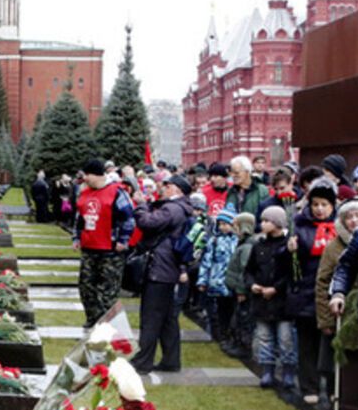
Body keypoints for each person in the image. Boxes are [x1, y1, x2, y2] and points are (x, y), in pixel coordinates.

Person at [130, 173, 196, 374]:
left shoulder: (173, 208)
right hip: (169, 269)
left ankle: (143, 361)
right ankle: (170, 360)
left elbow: (148, 223)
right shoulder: (182, 208)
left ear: (176, 190)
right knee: (167, 319)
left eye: (167, 186)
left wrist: (141, 206)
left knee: (151, 317)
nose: (163, 188)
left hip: (159, 269)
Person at [319, 200, 358, 410]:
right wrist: (326, 317)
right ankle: (350, 406)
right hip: (346, 310)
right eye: (349, 217)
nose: (354, 221)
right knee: (349, 361)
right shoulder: (334, 247)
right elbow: (323, 282)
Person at [287, 181, 337, 404]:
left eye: (324, 204)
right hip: (306, 292)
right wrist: (289, 250)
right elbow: (288, 263)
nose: (319, 209)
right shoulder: (300, 226)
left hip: (330, 292)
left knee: (331, 344)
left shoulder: (339, 227)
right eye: (315, 204)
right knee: (307, 344)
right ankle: (309, 385)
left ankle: (334, 387)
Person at [73, 158, 135, 329]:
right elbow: (80, 218)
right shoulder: (85, 192)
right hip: (89, 247)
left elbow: (128, 218)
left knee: (108, 290)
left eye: (86, 175)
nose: (84, 178)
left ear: (96, 175)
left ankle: (109, 325)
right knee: (86, 286)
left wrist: (123, 240)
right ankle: (93, 319)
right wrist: (77, 237)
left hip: (110, 249)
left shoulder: (116, 192)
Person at [246, 205, 295, 390]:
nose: (262, 224)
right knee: (264, 337)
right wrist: (252, 285)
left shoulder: (287, 245)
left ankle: (288, 371)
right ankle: (267, 370)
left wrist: (276, 288)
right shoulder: (258, 245)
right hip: (262, 300)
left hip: (282, 301)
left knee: (286, 339)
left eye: (267, 221)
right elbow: (249, 270)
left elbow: (290, 273)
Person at [198, 209, 240, 346]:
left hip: (232, 282)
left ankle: (230, 335)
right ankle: (220, 335)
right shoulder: (214, 241)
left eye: (226, 224)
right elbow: (206, 262)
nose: (223, 227)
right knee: (219, 311)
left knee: (232, 310)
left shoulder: (238, 241)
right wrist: (202, 280)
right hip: (217, 281)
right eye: (220, 224)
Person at [224, 211, 259, 357]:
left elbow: (245, 270)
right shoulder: (244, 243)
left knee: (244, 319)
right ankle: (236, 342)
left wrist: (241, 290)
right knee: (238, 317)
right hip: (238, 289)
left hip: (243, 291)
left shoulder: (248, 246)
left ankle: (244, 346)